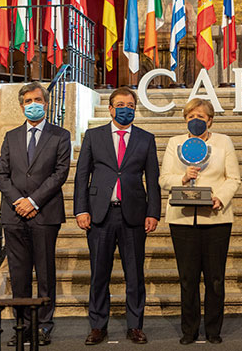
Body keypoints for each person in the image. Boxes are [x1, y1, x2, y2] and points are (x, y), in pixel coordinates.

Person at [73, 86, 161, 345]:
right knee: (99, 273)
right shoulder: (93, 136)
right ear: (110, 109)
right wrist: (81, 209)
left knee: (134, 274)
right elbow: (82, 176)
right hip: (100, 215)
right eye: (120, 104)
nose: (126, 109)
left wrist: (153, 212)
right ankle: (98, 326)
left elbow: (153, 180)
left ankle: (135, 325)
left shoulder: (146, 138)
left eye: (130, 105)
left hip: (133, 215)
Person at [159, 98, 241, 345]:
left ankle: (214, 329)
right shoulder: (175, 143)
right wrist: (183, 178)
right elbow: (163, 179)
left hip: (216, 218)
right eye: (190, 116)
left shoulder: (223, 142)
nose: (195, 120)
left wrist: (220, 198)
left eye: (200, 117)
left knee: (215, 278)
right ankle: (189, 330)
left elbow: (233, 178)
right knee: (188, 278)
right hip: (182, 220)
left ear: (210, 120)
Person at [0, 82, 71, 347]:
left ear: (46, 104)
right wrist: (18, 200)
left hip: (45, 213)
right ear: (21, 106)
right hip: (14, 214)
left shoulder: (61, 135)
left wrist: (33, 201)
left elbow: (60, 174)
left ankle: (44, 325)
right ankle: (22, 325)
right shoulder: (11, 136)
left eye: (38, 99)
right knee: (19, 274)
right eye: (28, 100)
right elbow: (1, 174)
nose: (33, 104)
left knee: (45, 272)